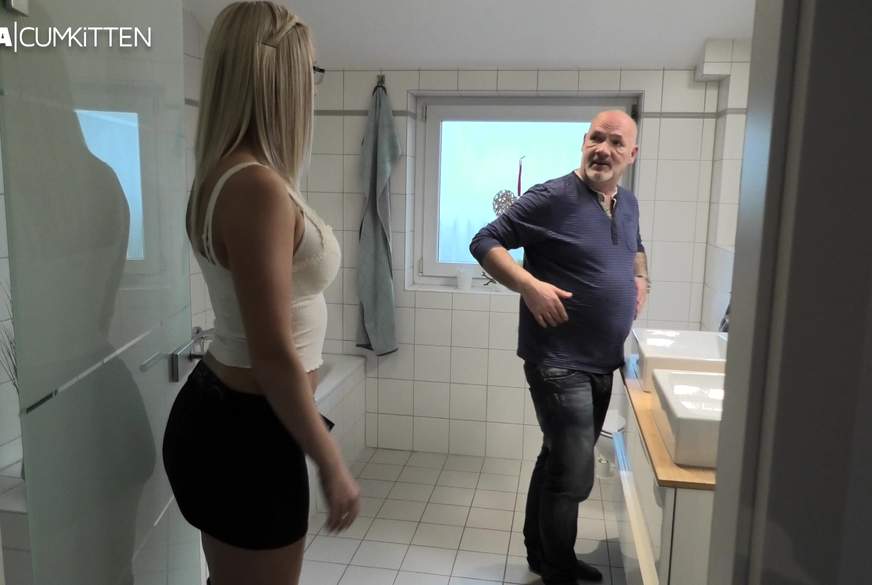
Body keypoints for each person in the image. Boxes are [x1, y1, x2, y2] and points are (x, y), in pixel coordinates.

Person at [162, 3, 360, 584]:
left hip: (232, 418)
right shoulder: (255, 188)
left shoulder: (226, 174)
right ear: (279, 80)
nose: (313, 88)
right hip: (246, 432)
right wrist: (330, 461)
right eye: (310, 72)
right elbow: (272, 354)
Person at [469, 110, 649, 584]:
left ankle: (541, 554)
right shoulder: (552, 197)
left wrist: (641, 278)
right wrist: (528, 285)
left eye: (615, 142)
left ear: (631, 154)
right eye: (596, 138)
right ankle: (558, 567)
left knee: (556, 458)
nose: (603, 150)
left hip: (602, 360)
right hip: (557, 360)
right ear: (584, 142)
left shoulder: (627, 203)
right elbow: (484, 240)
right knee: (574, 473)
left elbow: (636, 246)